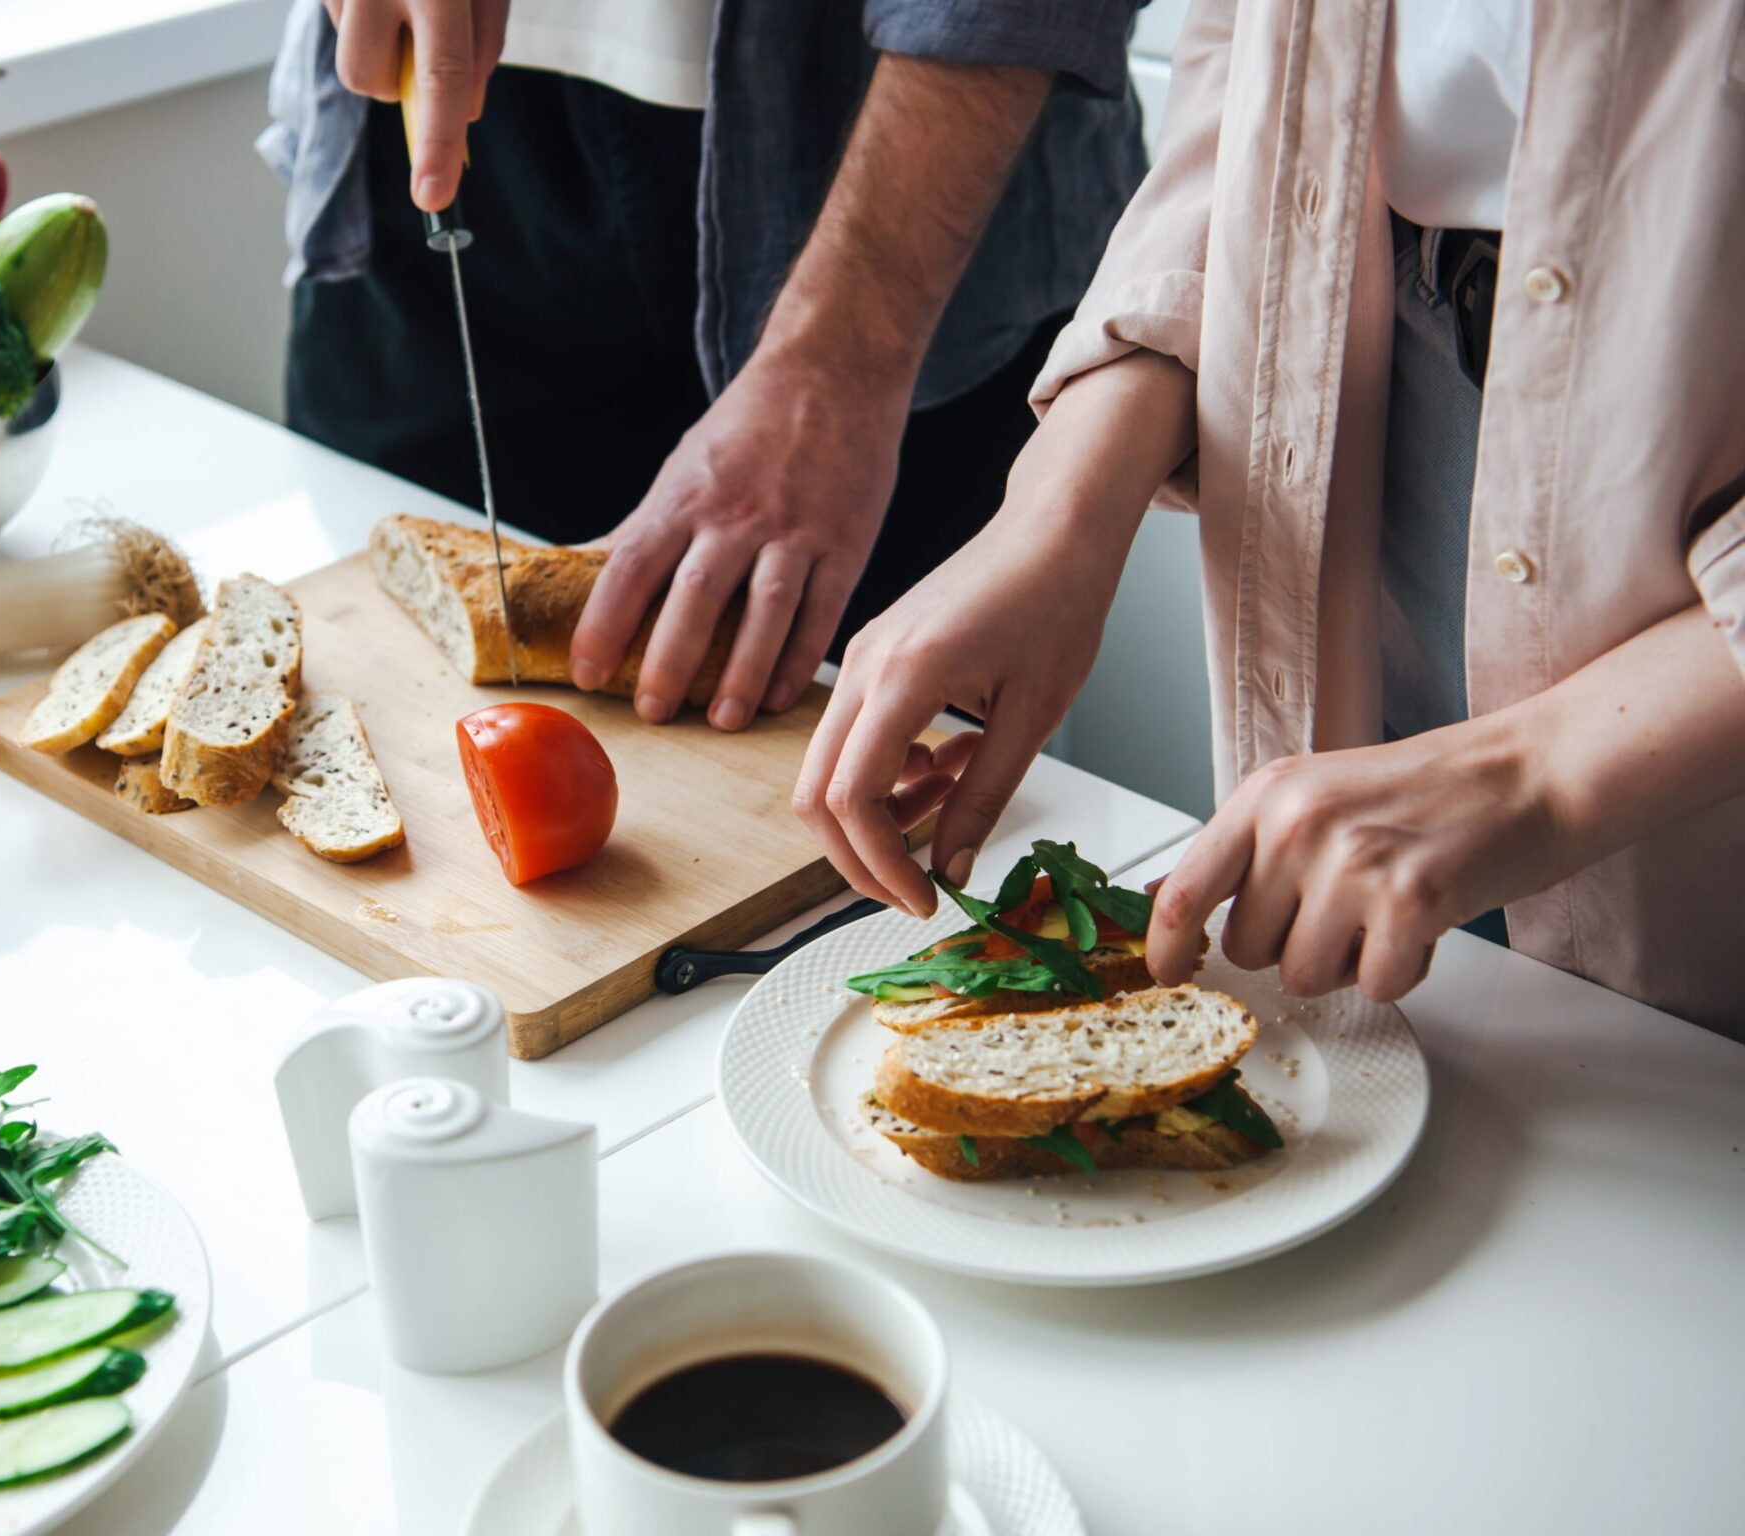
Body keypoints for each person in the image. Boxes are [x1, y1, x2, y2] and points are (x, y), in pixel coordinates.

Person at [797, 0, 1745, 1038]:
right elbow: (1247, 57)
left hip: (1691, 487)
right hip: (1365, 394)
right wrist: (1060, 503)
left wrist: (1544, 775)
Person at [259, 0, 1149, 731]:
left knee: (899, 809)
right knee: (383, 714)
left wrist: (840, 362)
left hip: (906, 183)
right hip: (445, 122)